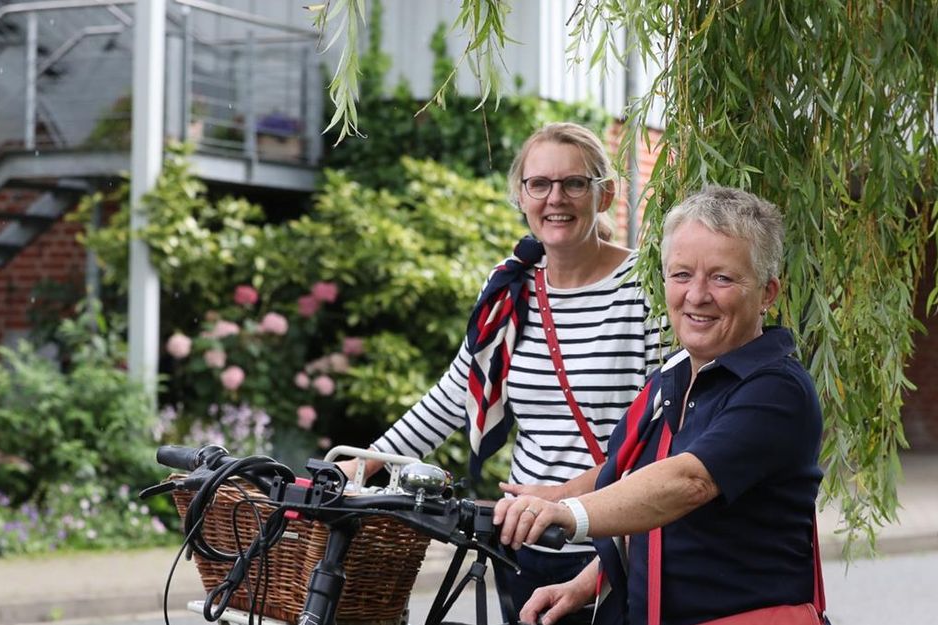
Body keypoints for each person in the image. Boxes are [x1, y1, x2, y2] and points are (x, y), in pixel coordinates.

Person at [337, 122, 666, 621]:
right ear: (521, 195)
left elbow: (665, 434)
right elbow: (455, 396)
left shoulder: (648, 289)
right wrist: (363, 465)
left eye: (574, 183)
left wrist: (559, 497)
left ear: (605, 195)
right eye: (540, 184)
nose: (556, 198)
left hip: (618, 544)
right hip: (523, 542)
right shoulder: (510, 287)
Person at [494, 186, 825, 625]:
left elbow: (686, 483)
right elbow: (652, 506)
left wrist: (567, 514)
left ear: (767, 293)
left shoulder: (776, 389)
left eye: (722, 278)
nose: (697, 295)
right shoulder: (675, 376)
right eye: (682, 274)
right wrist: (582, 585)